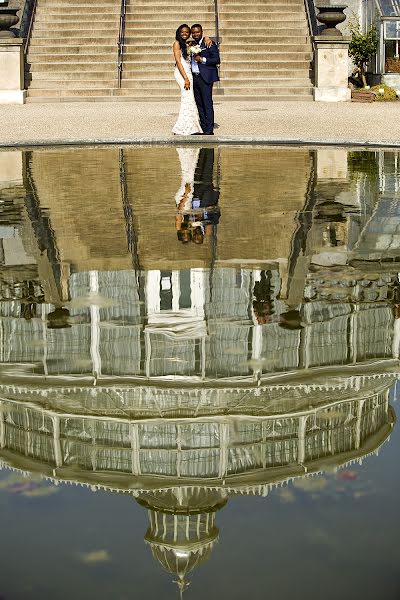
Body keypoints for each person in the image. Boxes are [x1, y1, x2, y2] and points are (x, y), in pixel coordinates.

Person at [172, 24, 203, 136]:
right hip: (182, 73)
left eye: (186, 32)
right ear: (179, 33)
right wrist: (185, 78)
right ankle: (182, 127)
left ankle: (191, 125)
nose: (184, 34)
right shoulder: (176, 44)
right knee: (187, 98)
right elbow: (178, 61)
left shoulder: (187, 44)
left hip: (188, 73)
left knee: (189, 98)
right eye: (182, 32)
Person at [190, 24, 220, 136]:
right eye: (193, 32)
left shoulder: (209, 43)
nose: (195, 34)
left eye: (197, 32)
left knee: (207, 103)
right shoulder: (191, 44)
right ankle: (202, 127)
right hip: (195, 77)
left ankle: (209, 128)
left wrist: (201, 59)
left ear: (201, 32)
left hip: (205, 77)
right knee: (199, 104)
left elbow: (216, 59)